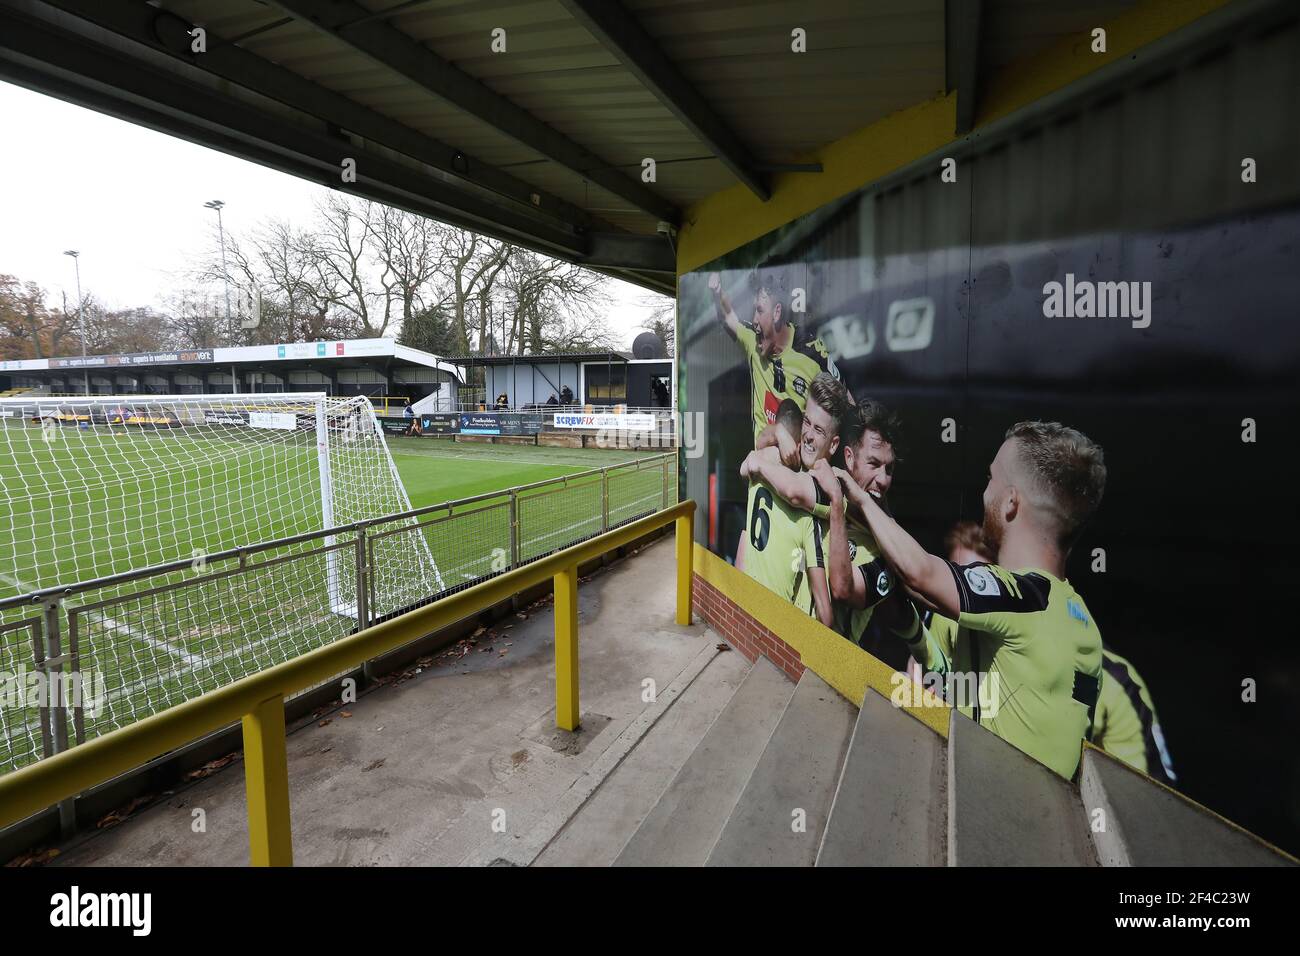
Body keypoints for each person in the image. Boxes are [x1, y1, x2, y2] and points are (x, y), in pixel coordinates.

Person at [840, 421, 1107, 780]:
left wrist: (858, 500)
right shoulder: (1080, 620)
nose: (984, 494)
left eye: (990, 479)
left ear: (1011, 502)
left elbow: (920, 573)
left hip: (988, 815)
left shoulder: (1026, 597)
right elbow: (923, 590)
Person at [736, 373, 850, 627]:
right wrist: (778, 432)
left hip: (807, 629)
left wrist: (756, 461)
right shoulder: (790, 468)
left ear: (833, 445)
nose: (807, 435)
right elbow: (762, 442)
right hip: (774, 621)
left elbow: (793, 491)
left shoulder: (833, 486)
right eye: (806, 422)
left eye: (818, 430)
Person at [707, 266, 840, 445]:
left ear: (777, 312)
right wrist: (717, 293)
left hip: (797, 472)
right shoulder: (753, 341)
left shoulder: (812, 353)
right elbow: (728, 316)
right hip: (762, 467)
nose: (754, 320)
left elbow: (845, 403)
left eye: (760, 311)